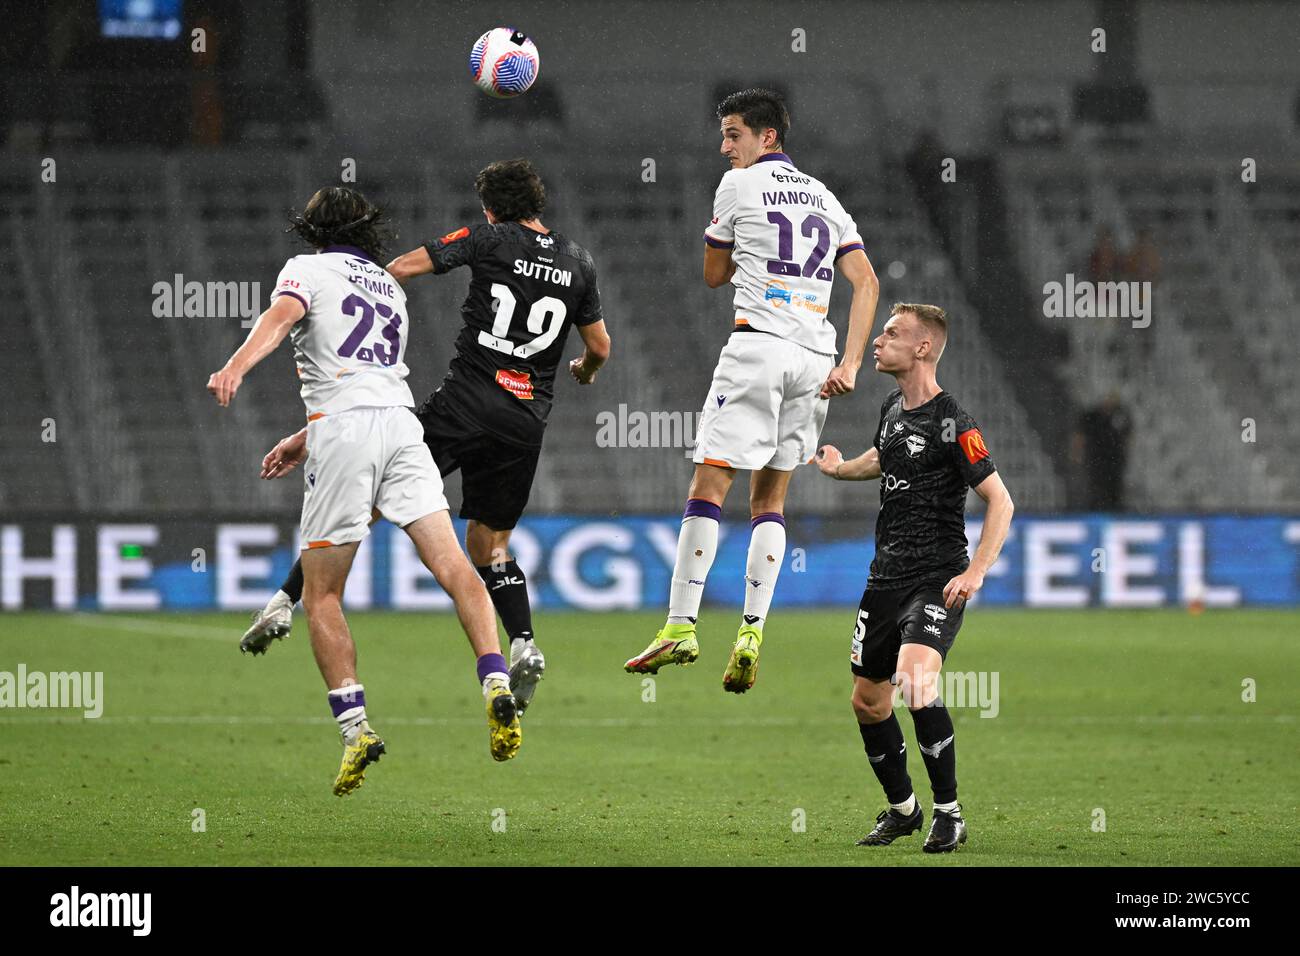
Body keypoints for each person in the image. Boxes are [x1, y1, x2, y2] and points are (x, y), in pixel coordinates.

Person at [242, 160, 610, 717]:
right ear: (538, 203)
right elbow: (600, 346)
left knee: (365, 496)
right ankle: (524, 641)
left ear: (490, 207)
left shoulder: (486, 237)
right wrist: (583, 369)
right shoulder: (579, 261)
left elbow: (407, 266)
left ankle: (284, 600)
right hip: (526, 418)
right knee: (490, 547)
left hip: (464, 404)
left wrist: (354, 293)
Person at [206, 186, 524, 795]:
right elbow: (368, 376)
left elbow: (280, 320)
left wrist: (237, 367)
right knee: (458, 569)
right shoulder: (389, 287)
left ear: (314, 228)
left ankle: (356, 732)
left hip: (345, 433)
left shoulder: (306, 269)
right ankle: (495, 678)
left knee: (323, 595)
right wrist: (304, 435)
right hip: (401, 426)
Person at [623, 88, 880, 693]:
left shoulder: (736, 186)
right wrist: (850, 362)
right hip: (817, 359)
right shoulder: (822, 194)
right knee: (771, 502)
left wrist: (750, 254)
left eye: (733, 134)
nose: (724, 146)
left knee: (709, 484)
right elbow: (865, 280)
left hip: (759, 344)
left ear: (767, 137)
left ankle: (681, 624)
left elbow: (713, 276)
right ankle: (751, 631)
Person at [815, 303, 1013, 852]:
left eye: (892, 333)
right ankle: (903, 809)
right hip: (885, 577)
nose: (878, 340)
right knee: (868, 702)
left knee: (916, 681)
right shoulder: (892, 407)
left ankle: (949, 814)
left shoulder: (954, 420)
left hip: (937, 575)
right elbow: (885, 457)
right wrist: (839, 468)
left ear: (923, 347)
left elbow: (1000, 500)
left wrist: (976, 570)